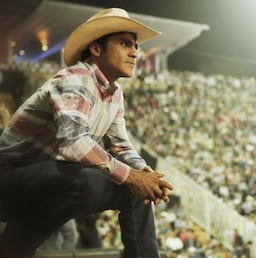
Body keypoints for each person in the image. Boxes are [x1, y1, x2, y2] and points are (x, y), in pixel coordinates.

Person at [0, 7, 173, 258]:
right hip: (9, 178)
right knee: (90, 180)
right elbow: (73, 144)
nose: (135, 52)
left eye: (135, 46)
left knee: (136, 191)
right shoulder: (76, 78)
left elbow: (121, 147)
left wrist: (145, 173)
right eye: (125, 44)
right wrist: (132, 176)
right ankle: (14, 246)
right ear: (96, 48)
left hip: (45, 178)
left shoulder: (115, 93)